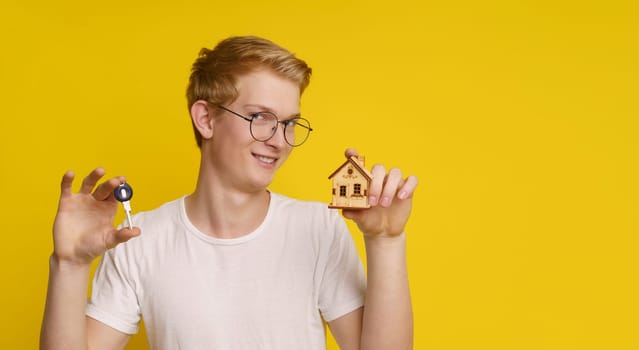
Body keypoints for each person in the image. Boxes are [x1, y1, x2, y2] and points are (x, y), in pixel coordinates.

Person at [40, 36, 418, 350]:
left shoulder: (318, 228)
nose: (279, 140)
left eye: (288, 123)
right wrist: (70, 267)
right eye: (260, 117)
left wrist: (386, 241)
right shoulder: (138, 240)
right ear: (206, 118)